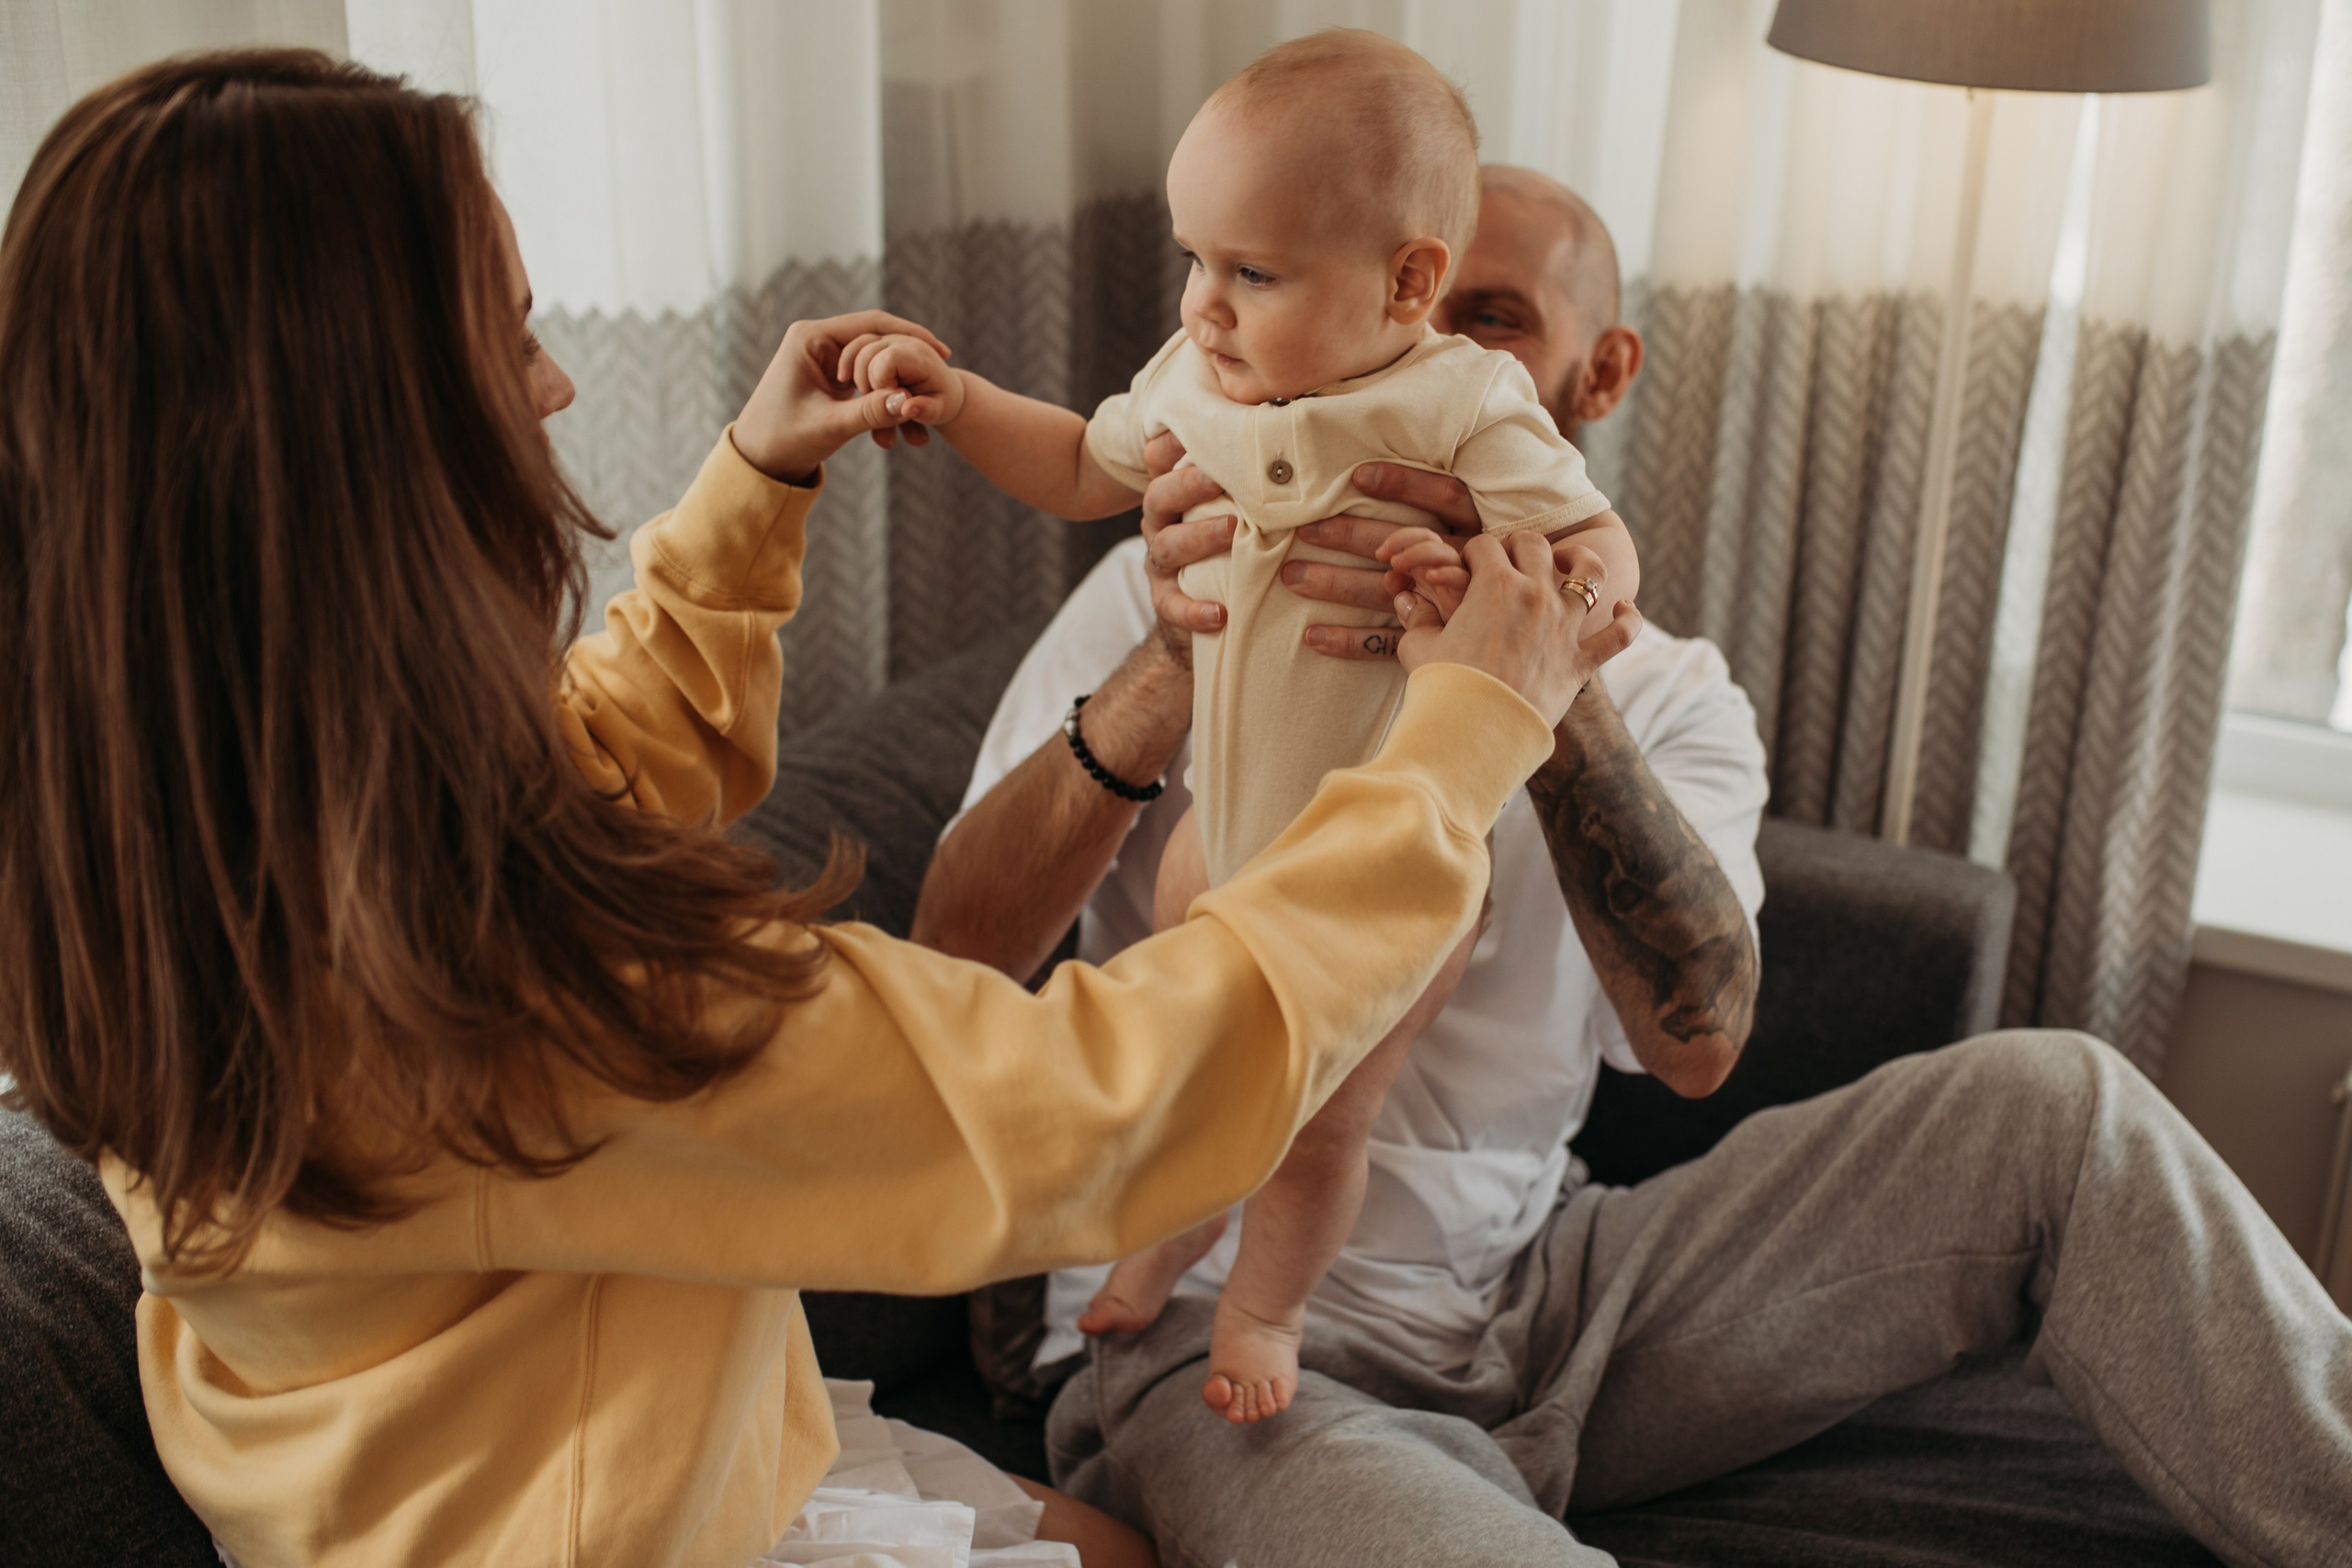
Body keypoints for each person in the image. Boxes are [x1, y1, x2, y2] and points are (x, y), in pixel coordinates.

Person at [0, 51, 1632, 1568]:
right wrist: (1462, 737)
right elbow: (1102, 1107)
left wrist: (757, 482)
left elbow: (598, 753)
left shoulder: (206, 835)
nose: (561, 387)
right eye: (511, 336)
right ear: (368, 445)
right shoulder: (510, 1004)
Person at [913, 163, 2352, 1564]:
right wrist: (1173, 663)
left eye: (1485, 317)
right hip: (1201, 1332)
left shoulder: (1672, 696)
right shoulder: (1171, 560)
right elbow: (948, 969)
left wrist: (1541, 676)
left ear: (1595, 376)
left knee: (2064, 1108)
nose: (1412, 351)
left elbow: (1700, 1045)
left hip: (1555, 1290)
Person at [853, 31, 1641, 1427]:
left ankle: (1263, 1306)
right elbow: (1077, 463)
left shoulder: (1460, 405)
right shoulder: (1199, 392)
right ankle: (1162, 1232)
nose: (1204, 306)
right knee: (1190, 1055)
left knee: (1325, 1106)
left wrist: (1574, 614)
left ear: (1411, 285)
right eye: (1196, 260)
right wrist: (959, 402)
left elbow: (1590, 534)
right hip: (1219, 835)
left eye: (1252, 273)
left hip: (1395, 878)